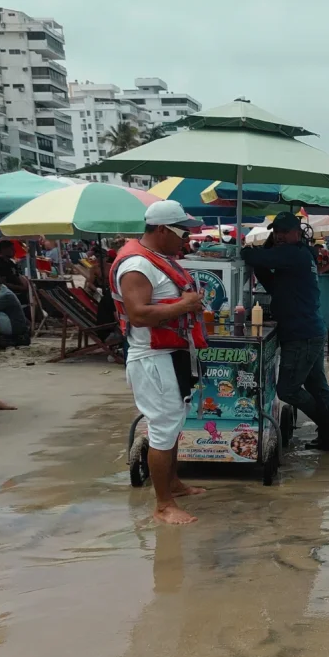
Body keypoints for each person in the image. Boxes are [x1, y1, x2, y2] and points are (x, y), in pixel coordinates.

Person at [111, 200, 208, 525]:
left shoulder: (159, 259)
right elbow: (137, 315)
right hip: (152, 359)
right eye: (182, 232)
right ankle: (163, 505)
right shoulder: (137, 265)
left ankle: (174, 485)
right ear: (163, 229)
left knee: (174, 422)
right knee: (163, 427)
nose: (186, 238)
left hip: (171, 355)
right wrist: (184, 306)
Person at [242, 212, 329, 453]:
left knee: (287, 389)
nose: (278, 236)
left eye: (283, 232)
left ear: (297, 233)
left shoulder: (292, 253)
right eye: (275, 232)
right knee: (318, 386)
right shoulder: (302, 254)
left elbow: (250, 255)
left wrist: (254, 250)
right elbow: (274, 283)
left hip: (301, 334)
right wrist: (264, 252)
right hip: (309, 330)